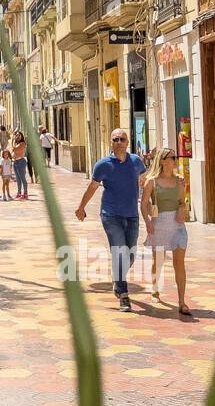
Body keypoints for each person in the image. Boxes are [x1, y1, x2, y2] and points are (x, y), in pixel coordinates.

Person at [76, 128, 147, 313]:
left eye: (122, 139)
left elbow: (145, 181)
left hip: (132, 214)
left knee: (130, 254)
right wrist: (81, 207)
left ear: (128, 142)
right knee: (119, 252)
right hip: (111, 215)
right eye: (115, 139)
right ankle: (123, 295)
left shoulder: (136, 161)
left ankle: (117, 278)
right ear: (111, 142)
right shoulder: (103, 164)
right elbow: (92, 187)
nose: (119, 142)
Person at [142, 147, 191, 316]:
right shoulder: (152, 181)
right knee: (159, 261)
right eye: (172, 157)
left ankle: (182, 301)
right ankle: (155, 289)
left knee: (179, 263)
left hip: (177, 226)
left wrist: (182, 208)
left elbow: (182, 201)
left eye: (175, 157)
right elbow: (143, 204)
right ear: (163, 161)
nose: (175, 160)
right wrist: (148, 222)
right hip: (159, 224)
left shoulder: (180, 181)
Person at [12, 131, 31, 200]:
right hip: (15, 162)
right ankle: (19, 193)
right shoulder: (16, 143)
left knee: (23, 178)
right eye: (16, 135)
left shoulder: (22, 143)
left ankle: (25, 193)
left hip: (21, 161)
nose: (17, 136)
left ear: (21, 136)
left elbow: (14, 149)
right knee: (18, 179)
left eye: (19, 135)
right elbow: (13, 149)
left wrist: (13, 139)